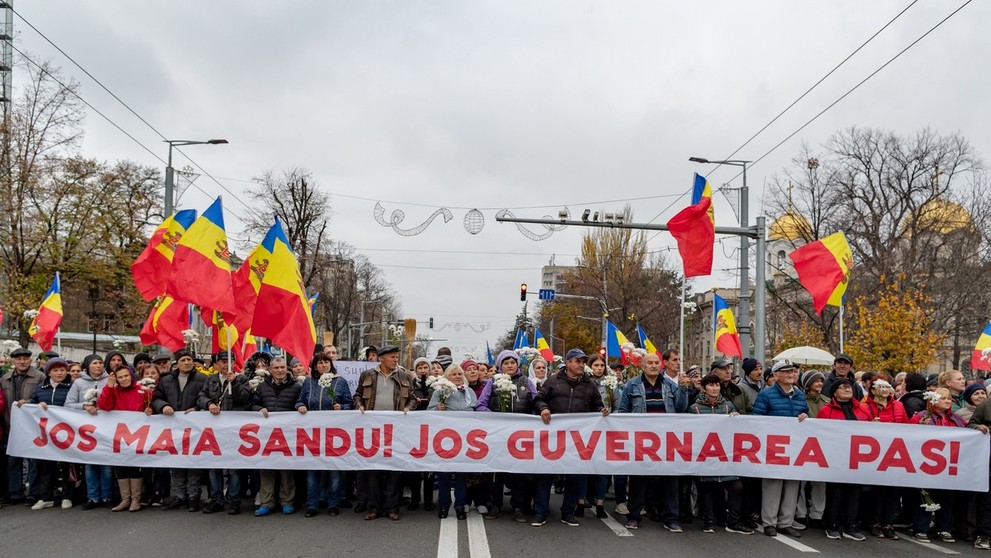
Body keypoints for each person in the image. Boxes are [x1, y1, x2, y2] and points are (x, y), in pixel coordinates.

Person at [532, 348, 608, 527]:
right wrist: (543, 408)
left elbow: (597, 404)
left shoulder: (589, 385)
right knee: (546, 475)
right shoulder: (553, 382)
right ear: (568, 363)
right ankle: (540, 513)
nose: (581, 365)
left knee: (574, 476)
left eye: (583, 362)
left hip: (577, 439)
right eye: (578, 361)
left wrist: (601, 410)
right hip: (553, 437)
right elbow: (538, 399)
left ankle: (568, 513)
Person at [619, 350, 690, 531]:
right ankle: (634, 516)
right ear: (642, 366)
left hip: (666, 440)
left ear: (661, 365)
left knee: (669, 480)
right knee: (638, 478)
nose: (653, 366)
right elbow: (623, 411)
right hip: (641, 439)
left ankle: (671, 518)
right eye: (649, 363)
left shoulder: (670, 385)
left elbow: (681, 408)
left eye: (656, 363)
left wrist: (683, 388)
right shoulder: (632, 385)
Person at [353, 346, 416, 521]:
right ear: (381, 359)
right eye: (392, 357)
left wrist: (407, 408)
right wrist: (359, 405)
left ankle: (392, 507)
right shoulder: (368, 375)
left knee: (393, 470)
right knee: (374, 469)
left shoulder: (404, 376)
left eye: (397, 357)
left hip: (395, 429)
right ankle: (374, 507)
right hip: (372, 429)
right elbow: (357, 395)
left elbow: (412, 398)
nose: (396, 360)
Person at [476, 350, 539, 522]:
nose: (510, 365)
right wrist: (494, 418)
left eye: (513, 362)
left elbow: (536, 403)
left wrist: (535, 417)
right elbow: (481, 404)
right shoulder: (492, 382)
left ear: (518, 364)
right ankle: (496, 505)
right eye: (506, 363)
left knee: (519, 473)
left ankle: (518, 506)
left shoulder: (527, 382)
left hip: (520, 437)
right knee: (497, 472)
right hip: (497, 436)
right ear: (500, 366)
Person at [688, 373, 752, 534]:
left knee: (736, 486)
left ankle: (733, 521)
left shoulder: (727, 406)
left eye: (717, 385)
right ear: (703, 388)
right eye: (711, 385)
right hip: (705, 457)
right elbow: (689, 432)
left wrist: (736, 418)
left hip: (725, 457)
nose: (715, 388)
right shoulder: (694, 408)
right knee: (708, 486)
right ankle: (709, 521)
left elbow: (735, 430)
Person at [752, 359, 808, 538]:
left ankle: (786, 522)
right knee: (773, 486)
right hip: (773, 446)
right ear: (776, 375)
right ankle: (769, 522)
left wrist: (805, 416)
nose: (791, 375)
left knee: (792, 486)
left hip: (794, 447)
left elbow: (806, 413)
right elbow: (757, 419)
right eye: (786, 372)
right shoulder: (766, 395)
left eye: (792, 371)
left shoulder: (799, 395)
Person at [152, 348, 208, 512]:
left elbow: (206, 397)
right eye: (183, 360)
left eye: (189, 360)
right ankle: (179, 496)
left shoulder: (203, 379)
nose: (187, 363)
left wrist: (198, 409)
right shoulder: (166, 379)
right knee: (176, 462)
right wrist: (164, 406)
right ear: (178, 363)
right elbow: (156, 398)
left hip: (194, 428)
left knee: (193, 463)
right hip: (173, 428)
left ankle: (193, 496)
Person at [296, 353, 352, 517]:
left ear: (331, 365)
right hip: (313, 433)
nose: (323, 366)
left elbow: (349, 402)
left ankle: (333, 502)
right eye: (320, 363)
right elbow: (300, 400)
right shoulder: (309, 382)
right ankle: (312, 504)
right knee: (313, 470)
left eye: (326, 362)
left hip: (334, 433)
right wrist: (300, 406)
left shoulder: (340, 381)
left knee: (334, 470)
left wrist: (341, 407)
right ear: (314, 366)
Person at [197, 350, 251, 514]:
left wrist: (234, 382)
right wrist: (209, 404)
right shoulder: (211, 380)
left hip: (234, 430)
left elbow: (245, 399)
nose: (226, 364)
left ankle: (234, 499)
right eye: (222, 361)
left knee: (234, 467)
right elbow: (201, 397)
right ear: (216, 364)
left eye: (229, 361)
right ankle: (216, 499)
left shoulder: (241, 378)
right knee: (214, 467)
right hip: (215, 430)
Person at [16, 358, 74, 510]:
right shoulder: (41, 388)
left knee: (67, 465)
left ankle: (67, 496)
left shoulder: (72, 386)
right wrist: (27, 402)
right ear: (49, 372)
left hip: (68, 433)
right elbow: (34, 402)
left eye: (62, 370)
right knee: (45, 466)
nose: (59, 373)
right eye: (55, 370)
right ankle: (46, 497)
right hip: (47, 435)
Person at [815, 378, 869, 540]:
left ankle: (850, 525)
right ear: (834, 392)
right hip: (835, 458)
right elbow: (819, 433)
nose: (847, 389)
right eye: (843, 387)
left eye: (849, 386)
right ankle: (831, 524)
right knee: (835, 492)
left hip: (857, 458)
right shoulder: (826, 411)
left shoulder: (863, 410)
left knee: (854, 492)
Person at [911, 388, 964, 542]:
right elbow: (907, 435)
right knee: (925, 497)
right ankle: (921, 528)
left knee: (947, 498)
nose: (947, 401)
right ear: (933, 400)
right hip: (926, 465)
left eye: (949, 398)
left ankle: (944, 528)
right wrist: (918, 426)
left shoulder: (957, 419)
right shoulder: (921, 416)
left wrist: (977, 428)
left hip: (949, 466)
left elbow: (968, 434)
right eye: (943, 398)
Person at [97, 366, 150, 512]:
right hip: (119, 435)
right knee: (121, 467)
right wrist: (109, 386)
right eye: (120, 377)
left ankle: (136, 500)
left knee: (135, 468)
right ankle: (125, 499)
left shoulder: (142, 390)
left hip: (138, 434)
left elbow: (150, 406)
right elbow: (103, 406)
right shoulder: (113, 390)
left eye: (126, 376)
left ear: (131, 375)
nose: (124, 379)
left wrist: (149, 410)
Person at [861, 376, 907, 540]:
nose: (885, 390)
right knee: (877, 491)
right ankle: (874, 522)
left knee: (893, 491)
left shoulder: (899, 406)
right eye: (880, 387)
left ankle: (888, 523)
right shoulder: (865, 406)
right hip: (875, 454)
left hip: (895, 453)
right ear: (872, 390)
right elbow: (858, 428)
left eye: (887, 386)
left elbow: (907, 426)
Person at [428, 364, 477, 519]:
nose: (457, 377)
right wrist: (438, 409)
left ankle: (460, 506)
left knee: (461, 474)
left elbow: (476, 410)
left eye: (459, 374)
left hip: (465, 439)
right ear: (448, 377)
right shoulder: (440, 391)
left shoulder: (469, 392)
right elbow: (429, 411)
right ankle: (443, 505)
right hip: (446, 440)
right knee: (445, 474)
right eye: (454, 374)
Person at [65, 353, 112, 509]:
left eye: (100, 363)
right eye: (94, 363)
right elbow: (68, 404)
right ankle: (93, 497)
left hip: (106, 428)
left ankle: (107, 497)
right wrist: (84, 406)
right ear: (87, 366)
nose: (98, 366)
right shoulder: (78, 383)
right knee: (90, 465)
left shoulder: (109, 380)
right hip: (86, 430)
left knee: (106, 465)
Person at [1, 347, 45, 505]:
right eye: (18, 359)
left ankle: (33, 493)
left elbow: (42, 398)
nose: (22, 362)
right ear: (13, 361)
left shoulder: (40, 377)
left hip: (32, 427)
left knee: (33, 462)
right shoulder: (5, 378)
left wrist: (28, 403)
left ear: (30, 360)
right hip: (11, 426)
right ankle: (15, 493)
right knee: (13, 462)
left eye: (25, 359)